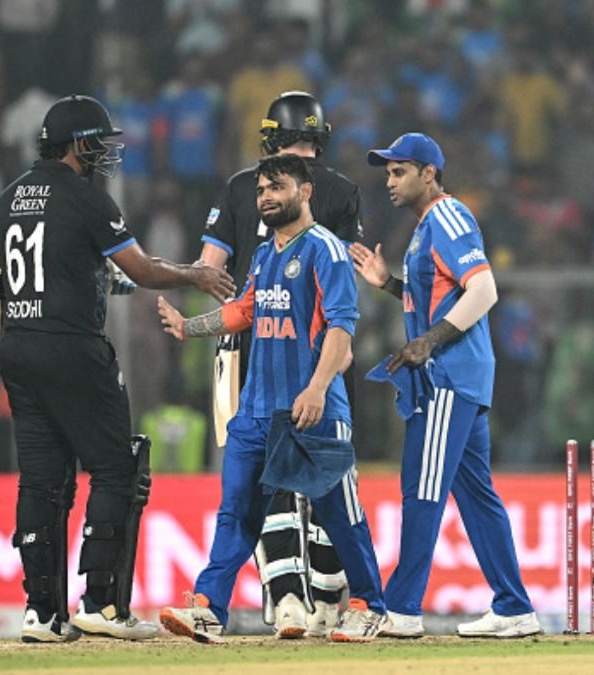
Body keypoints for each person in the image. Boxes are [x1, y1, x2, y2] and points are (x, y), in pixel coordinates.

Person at [0, 94, 235, 643]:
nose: (104, 154)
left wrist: (83, 278)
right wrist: (194, 275)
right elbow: (142, 271)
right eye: (98, 142)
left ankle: (41, 613)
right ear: (77, 144)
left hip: (18, 347)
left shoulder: (5, 200)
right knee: (117, 467)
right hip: (73, 347)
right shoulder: (87, 198)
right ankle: (101, 602)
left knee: (43, 480)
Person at [158, 154, 386, 644]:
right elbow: (243, 311)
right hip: (256, 411)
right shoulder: (263, 255)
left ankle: (371, 604)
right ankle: (209, 607)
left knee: (339, 517)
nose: (265, 196)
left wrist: (318, 387)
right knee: (237, 514)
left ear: (304, 192)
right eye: (261, 188)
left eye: (275, 187)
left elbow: (343, 328)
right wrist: (188, 327)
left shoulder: (326, 249)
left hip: (311, 412)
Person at [349, 132, 540, 638]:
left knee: (421, 489)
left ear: (428, 173)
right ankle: (514, 606)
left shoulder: (448, 217)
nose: (389, 181)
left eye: (399, 171)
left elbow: (485, 289)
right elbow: (441, 296)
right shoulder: (428, 226)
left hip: (448, 376)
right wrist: (390, 284)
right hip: (458, 374)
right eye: (387, 172)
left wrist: (428, 344)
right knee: (476, 495)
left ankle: (402, 608)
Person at [197, 91, 362, 637]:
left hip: (251, 354)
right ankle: (332, 596)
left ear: (271, 134)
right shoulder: (341, 190)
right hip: (320, 354)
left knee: (258, 483)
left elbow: (210, 269)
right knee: (327, 483)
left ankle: (284, 597)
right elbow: (345, 282)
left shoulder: (245, 184)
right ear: (321, 134)